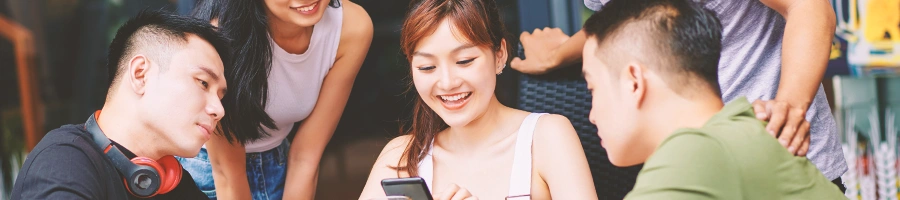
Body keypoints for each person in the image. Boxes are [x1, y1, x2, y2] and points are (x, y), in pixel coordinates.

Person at [515, 0, 848, 190]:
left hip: (773, 149)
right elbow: (634, 17)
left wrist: (790, 106)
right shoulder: (679, 164)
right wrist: (561, 52)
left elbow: (808, 7)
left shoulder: (694, 160)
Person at [358, 0, 597, 199]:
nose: (447, 82)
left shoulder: (546, 137)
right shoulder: (400, 158)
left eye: (464, 61)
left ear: (500, 55)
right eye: (427, 67)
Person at [10, 10, 230, 199]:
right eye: (203, 83)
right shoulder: (64, 162)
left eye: (220, 96)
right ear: (140, 74)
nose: (219, 110)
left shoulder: (177, 186)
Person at [179, 0, 373, 199]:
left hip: (278, 164)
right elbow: (228, 175)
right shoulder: (219, 34)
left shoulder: (351, 28)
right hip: (206, 170)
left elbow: (306, 156)